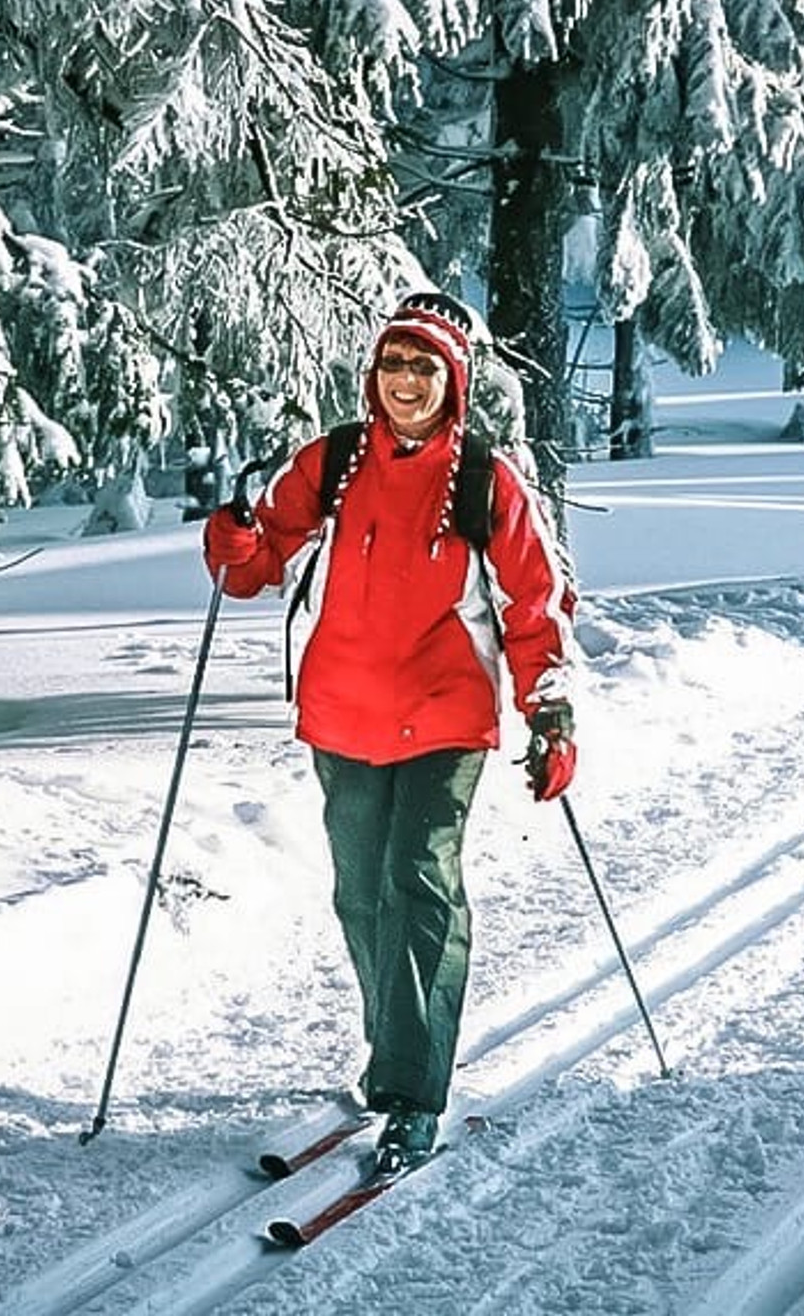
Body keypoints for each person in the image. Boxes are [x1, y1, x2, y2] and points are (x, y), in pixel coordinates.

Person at [202, 293, 579, 1173]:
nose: (406, 381)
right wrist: (233, 539)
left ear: (455, 381)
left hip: (446, 716)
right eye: (393, 364)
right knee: (360, 892)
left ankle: (411, 1090)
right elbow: (258, 566)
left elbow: (533, 605)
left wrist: (549, 711)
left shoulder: (486, 480)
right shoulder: (333, 460)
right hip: (342, 714)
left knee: (419, 886)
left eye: (424, 366)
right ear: (373, 375)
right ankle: (394, 1047)